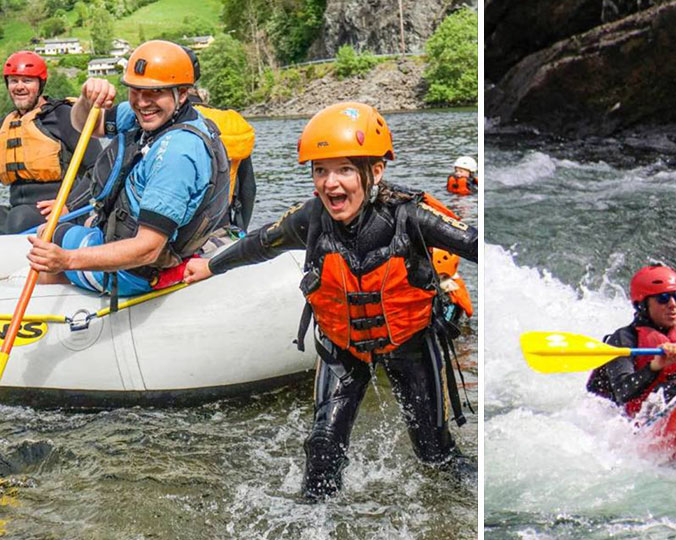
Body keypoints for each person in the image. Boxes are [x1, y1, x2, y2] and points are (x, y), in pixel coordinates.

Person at [182, 101, 479, 501]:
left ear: (375, 171)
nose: (330, 184)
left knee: (434, 455)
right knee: (322, 456)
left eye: (343, 170)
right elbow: (260, 243)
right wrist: (211, 267)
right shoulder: (311, 218)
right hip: (342, 346)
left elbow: (478, 244)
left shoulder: (411, 215)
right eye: (321, 171)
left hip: (408, 342)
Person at [25, 40, 231, 298]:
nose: (142, 103)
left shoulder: (178, 153)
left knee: (49, 236)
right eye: (136, 90)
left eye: (155, 93)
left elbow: (148, 249)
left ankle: (48, 309)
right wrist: (87, 100)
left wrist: (66, 260)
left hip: (136, 271)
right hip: (128, 242)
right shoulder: (147, 117)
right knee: (70, 229)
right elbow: (85, 124)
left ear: (183, 92)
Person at [586, 265, 676, 416]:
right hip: (641, 424)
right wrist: (654, 367)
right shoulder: (624, 340)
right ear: (642, 305)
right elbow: (623, 391)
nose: (673, 304)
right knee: (667, 391)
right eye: (663, 298)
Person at [0, 51, 100, 234]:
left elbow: (100, 167)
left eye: (27, 80)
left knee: (18, 219)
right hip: (18, 211)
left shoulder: (65, 116)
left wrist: (69, 205)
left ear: (40, 84)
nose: (19, 87)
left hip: (61, 213)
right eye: (14, 81)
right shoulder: (6, 125)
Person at [182, 56, 257, 233]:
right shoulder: (230, 124)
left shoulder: (162, 121)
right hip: (219, 224)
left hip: (173, 228)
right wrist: (240, 229)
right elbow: (249, 189)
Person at [433, 247, 474, 325]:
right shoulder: (457, 283)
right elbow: (469, 311)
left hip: (448, 316)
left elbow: (469, 310)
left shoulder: (456, 288)